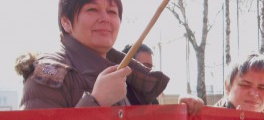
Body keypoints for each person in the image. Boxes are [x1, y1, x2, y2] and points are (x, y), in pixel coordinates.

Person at [15, 0, 202, 114]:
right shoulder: (49, 76)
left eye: (112, 11)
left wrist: (180, 114)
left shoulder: (130, 76)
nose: (105, 18)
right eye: (92, 9)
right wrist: (96, 102)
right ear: (66, 22)